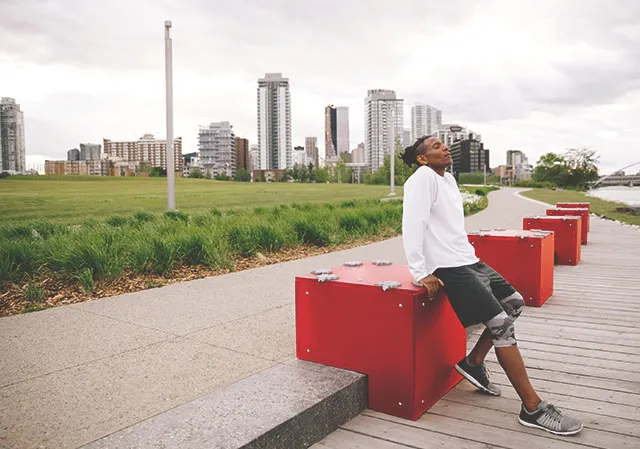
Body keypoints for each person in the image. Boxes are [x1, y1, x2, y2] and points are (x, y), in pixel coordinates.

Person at [400, 135, 583, 436]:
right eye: (435, 147)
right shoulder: (422, 178)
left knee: (514, 302)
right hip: (448, 266)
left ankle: (473, 362)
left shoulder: (447, 180)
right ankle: (532, 408)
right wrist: (421, 271)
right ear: (422, 159)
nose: (444, 147)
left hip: (467, 259)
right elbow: (412, 224)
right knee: (500, 324)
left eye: (444, 144)